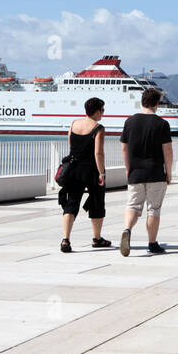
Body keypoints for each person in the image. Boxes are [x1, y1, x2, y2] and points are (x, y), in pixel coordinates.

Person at [119, 88, 173, 256]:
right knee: (153, 209)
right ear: (157, 103)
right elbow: (168, 151)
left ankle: (127, 229)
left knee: (133, 206)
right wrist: (169, 172)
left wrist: (128, 168)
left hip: (135, 172)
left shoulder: (130, 122)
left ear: (142, 101)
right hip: (155, 172)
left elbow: (124, 148)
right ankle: (152, 243)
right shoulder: (162, 124)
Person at [59, 97, 108, 253]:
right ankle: (97, 238)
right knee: (96, 201)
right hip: (91, 170)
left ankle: (65, 239)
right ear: (97, 111)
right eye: (103, 110)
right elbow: (98, 153)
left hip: (73, 169)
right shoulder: (98, 128)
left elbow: (71, 145)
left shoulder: (74, 124)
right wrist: (101, 173)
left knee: (71, 203)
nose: (103, 113)